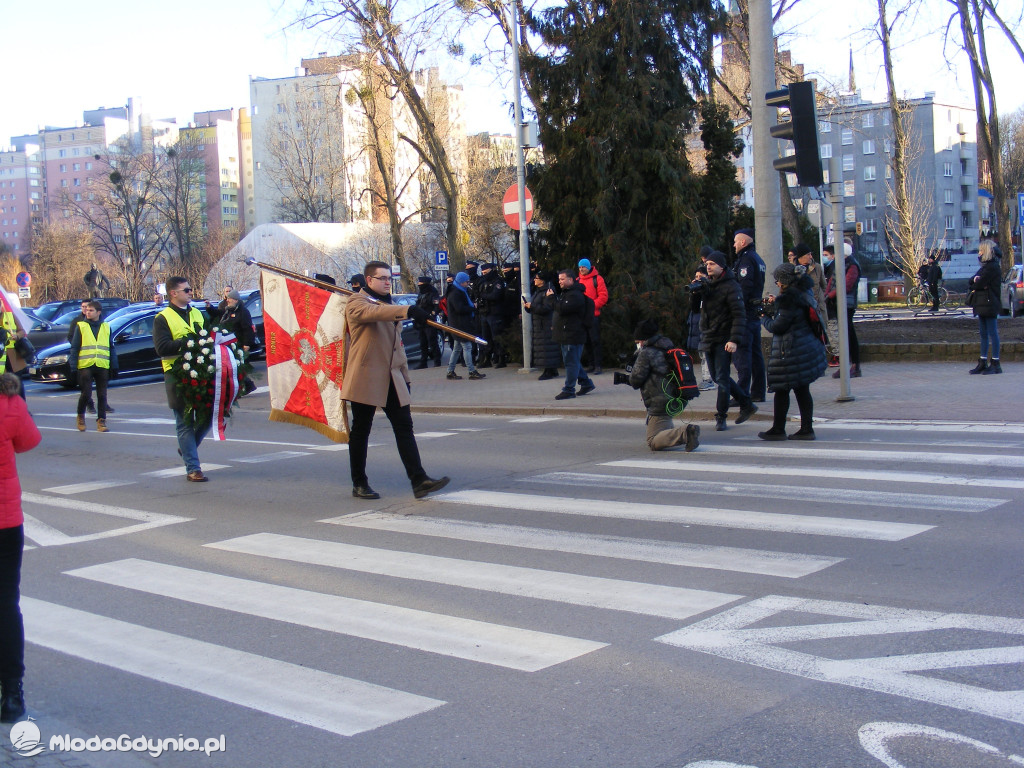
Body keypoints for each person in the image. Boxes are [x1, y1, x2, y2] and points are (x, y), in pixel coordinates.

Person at [342, 261, 450, 501]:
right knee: (361, 430)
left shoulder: (389, 304)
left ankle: (419, 480)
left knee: (404, 428)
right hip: (366, 376)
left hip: (393, 377)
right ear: (369, 280)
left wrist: (405, 376)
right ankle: (359, 482)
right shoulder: (356, 302)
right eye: (381, 278)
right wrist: (408, 310)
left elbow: (396, 347)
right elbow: (373, 313)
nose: (387, 282)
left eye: (389, 278)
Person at [0, 372, 42, 724]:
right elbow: (29, 441)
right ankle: (12, 694)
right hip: (5, 523)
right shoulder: (9, 403)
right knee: (6, 606)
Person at [757, 264, 828, 441]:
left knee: (783, 390)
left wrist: (764, 318)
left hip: (791, 351)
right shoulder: (804, 292)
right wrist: (777, 305)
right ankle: (804, 428)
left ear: (784, 281)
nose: (777, 283)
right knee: (801, 390)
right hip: (803, 348)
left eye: (778, 280)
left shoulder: (789, 300)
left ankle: (780, 429)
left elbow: (778, 326)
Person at [153, 276, 211, 482]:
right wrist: (188, 343)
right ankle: (193, 468)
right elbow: (162, 348)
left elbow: (209, 337)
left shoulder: (197, 313)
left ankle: (187, 447)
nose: (190, 292)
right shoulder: (163, 317)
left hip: (201, 371)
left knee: (208, 416)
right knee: (185, 421)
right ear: (173, 293)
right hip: (176, 374)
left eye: (190, 289)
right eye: (186, 290)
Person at [695, 251, 756, 431]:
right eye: (708, 264)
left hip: (723, 338)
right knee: (717, 377)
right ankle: (746, 403)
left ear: (722, 266)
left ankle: (721, 416)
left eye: (713, 264)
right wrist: (696, 291)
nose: (709, 266)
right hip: (709, 337)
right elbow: (695, 309)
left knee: (722, 378)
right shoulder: (708, 285)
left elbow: (739, 315)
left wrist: (734, 339)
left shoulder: (731, 286)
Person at [625, 319, 700, 452]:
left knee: (653, 441)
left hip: (659, 402)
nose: (637, 345)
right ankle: (678, 433)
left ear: (643, 340)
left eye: (638, 342)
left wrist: (634, 360)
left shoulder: (646, 353)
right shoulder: (667, 346)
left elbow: (635, 380)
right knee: (663, 428)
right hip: (675, 398)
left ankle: (686, 432)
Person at [68, 300, 118, 433]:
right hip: (86, 365)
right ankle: (80, 417)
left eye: (91, 310)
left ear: (98, 312)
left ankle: (101, 421)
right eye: (87, 310)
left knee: (102, 395)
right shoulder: (81, 326)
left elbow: (111, 347)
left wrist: (114, 365)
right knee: (86, 394)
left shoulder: (106, 326)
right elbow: (74, 348)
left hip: (102, 365)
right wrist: (73, 367)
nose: (88, 312)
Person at [732, 229, 767, 402]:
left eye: (736, 241)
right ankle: (758, 392)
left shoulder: (746, 259)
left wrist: (736, 308)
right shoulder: (758, 259)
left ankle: (742, 393)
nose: (734, 245)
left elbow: (744, 287)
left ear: (743, 242)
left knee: (743, 355)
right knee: (755, 355)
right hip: (754, 313)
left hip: (745, 313)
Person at [551, 269, 596, 400]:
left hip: (573, 334)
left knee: (571, 362)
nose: (560, 282)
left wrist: (551, 299)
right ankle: (586, 383)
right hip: (566, 334)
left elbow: (562, 309)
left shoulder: (575, 295)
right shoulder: (567, 293)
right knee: (572, 361)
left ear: (571, 280)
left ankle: (569, 389)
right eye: (559, 279)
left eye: (562, 279)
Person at [824, 242, 862, 378]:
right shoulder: (840, 264)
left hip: (847, 304)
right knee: (844, 334)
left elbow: (845, 285)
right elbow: (832, 282)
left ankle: (854, 365)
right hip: (838, 303)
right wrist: (827, 295)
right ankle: (848, 365)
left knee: (849, 334)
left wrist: (829, 295)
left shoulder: (852, 265)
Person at [967, 240, 1004, 375]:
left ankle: (995, 362)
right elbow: (972, 281)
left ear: (986, 251)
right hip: (982, 303)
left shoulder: (992, 267)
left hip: (990, 303)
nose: (979, 253)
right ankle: (983, 361)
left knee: (992, 332)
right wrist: (976, 281)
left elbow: (979, 282)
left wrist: (977, 282)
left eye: (981, 251)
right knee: (983, 333)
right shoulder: (985, 267)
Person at [213, 290, 257, 395]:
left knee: (237, 367)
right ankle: (240, 387)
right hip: (228, 344)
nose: (227, 300)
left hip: (239, 343)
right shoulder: (228, 311)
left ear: (236, 300)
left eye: (230, 298)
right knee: (232, 367)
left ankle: (247, 385)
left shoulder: (243, 312)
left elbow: (247, 329)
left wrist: (247, 344)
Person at [445, 272, 485, 381]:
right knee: (467, 347)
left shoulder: (458, 291)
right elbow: (459, 309)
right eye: (467, 282)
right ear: (462, 282)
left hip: (458, 324)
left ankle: (450, 371)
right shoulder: (456, 293)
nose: (468, 283)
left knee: (457, 349)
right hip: (461, 325)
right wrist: (472, 307)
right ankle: (471, 371)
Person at [524, 271, 560, 381]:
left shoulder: (548, 291)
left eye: (537, 278)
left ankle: (549, 370)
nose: (534, 280)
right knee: (544, 346)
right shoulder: (539, 291)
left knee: (547, 347)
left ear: (542, 280)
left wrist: (532, 306)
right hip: (540, 323)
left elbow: (547, 308)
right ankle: (551, 369)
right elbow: (537, 307)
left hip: (546, 323)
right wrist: (528, 307)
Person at [577, 258, 608, 374]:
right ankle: (591, 364)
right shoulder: (577, 280)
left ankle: (598, 365)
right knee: (586, 341)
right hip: (581, 316)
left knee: (595, 341)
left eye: (583, 267)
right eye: (580, 267)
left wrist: (590, 306)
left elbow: (603, 296)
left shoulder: (597, 279)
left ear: (589, 267)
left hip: (593, 315)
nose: (582, 269)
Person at [475, 263, 509, 368]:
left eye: (486, 272)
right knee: (486, 338)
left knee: (497, 337)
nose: (484, 274)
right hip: (485, 313)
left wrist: (483, 296)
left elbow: (495, 295)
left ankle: (501, 359)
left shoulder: (498, 281)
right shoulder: (483, 282)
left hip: (495, 313)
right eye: (483, 273)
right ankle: (487, 359)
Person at [413, 275, 442, 369]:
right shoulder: (420, 294)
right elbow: (417, 305)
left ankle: (437, 362)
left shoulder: (433, 293)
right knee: (423, 343)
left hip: (429, 322)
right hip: (421, 321)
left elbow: (437, 306)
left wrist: (432, 315)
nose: (419, 285)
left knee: (432, 342)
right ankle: (423, 362)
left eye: (421, 284)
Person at [794, 243, 828, 323]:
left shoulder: (817, 267)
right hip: (801, 309)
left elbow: (824, 286)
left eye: (811, 254)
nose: (811, 257)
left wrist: (822, 298)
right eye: (808, 254)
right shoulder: (792, 269)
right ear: (800, 257)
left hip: (818, 307)